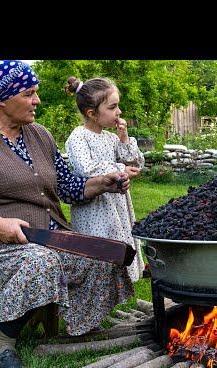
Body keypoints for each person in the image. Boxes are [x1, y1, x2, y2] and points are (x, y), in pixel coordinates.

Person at [0, 60, 135, 368]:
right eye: (29, 94)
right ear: (3, 99)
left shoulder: (40, 135)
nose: (37, 101)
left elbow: (68, 187)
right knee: (42, 262)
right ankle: (3, 340)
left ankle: (79, 326)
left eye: (36, 93)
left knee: (104, 252)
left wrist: (102, 183)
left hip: (50, 236)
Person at [64, 76, 145, 282]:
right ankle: (95, 291)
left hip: (116, 205)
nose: (119, 112)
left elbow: (135, 163)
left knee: (118, 244)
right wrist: (121, 169)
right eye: (113, 107)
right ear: (92, 113)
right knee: (99, 249)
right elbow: (86, 169)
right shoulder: (78, 137)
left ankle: (117, 289)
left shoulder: (111, 138)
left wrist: (124, 138)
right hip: (94, 207)